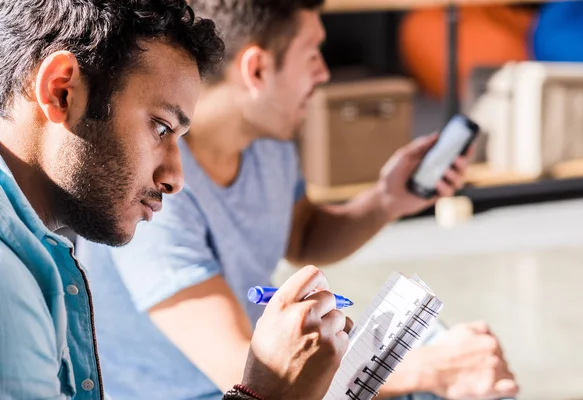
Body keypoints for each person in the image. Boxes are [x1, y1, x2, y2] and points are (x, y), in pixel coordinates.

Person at [77, 0, 520, 399]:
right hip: (229, 390)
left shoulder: (269, 142)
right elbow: (244, 373)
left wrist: (389, 199)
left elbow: (304, 235)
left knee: (447, 357)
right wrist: (426, 370)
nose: (324, 73)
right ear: (257, 71)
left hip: (267, 382)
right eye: (312, 55)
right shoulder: (155, 185)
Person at [0, 1, 353, 399]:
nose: (176, 178)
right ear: (61, 91)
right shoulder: (7, 287)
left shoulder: (36, 249)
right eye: (161, 128)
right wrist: (269, 393)